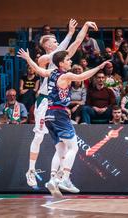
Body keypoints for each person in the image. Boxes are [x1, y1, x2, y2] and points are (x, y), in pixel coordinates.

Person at [18, 49, 110, 196]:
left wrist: (28, 58)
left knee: (61, 149)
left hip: (48, 115)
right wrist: (99, 67)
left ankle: (53, 179)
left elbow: (37, 70)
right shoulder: (65, 75)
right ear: (61, 63)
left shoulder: (52, 73)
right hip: (60, 113)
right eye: (68, 60)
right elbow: (82, 76)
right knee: (73, 148)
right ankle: (65, 179)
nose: (71, 61)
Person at [25, 19, 98, 188]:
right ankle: (31, 170)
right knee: (38, 136)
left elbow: (76, 44)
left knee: (63, 145)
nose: (57, 43)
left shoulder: (61, 59)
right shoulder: (44, 58)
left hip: (56, 105)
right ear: (47, 44)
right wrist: (70, 34)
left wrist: (83, 27)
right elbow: (60, 51)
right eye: (54, 41)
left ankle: (56, 177)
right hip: (44, 101)